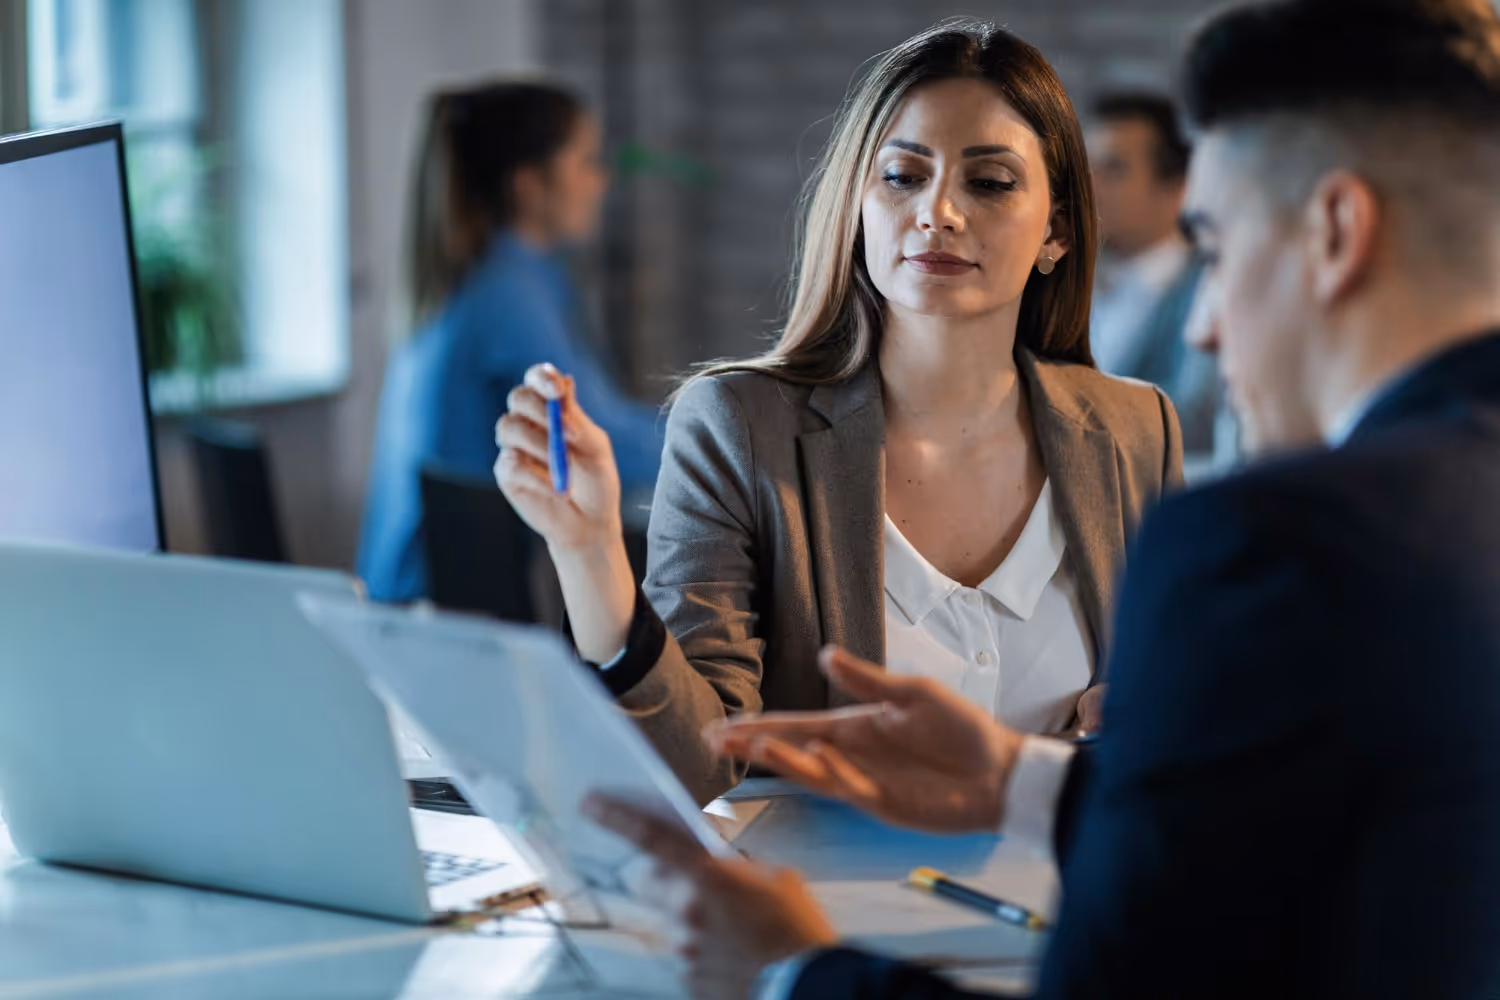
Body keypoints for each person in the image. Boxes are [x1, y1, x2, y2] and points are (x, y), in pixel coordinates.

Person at [584, 0, 1500, 997]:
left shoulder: (1253, 528)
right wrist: (1025, 780)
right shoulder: (742, 420)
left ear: (1335, 230)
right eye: (902, 176)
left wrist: (788, 970)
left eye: (1218, 246)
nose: (1201, 325)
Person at [495, 22, 1184, 804]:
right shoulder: (736, 427)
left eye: (989, 182)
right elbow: (696, 766)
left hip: (1069, 907)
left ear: (1056, 229)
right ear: (857, 205)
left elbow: (1177, 716)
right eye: (901, 176)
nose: (939, 212)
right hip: (822, 910)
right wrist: (589, 557)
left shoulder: (1137, 431)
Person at [359, 81, 663, 603]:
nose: (602, 180)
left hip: (405, 588)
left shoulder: (476, 278)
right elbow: (599, 435)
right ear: (529, 185)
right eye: (586, 161)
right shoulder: (509, 296)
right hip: (439, 612)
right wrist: (727, 448)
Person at [1088, 93, 1221, 456]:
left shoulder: (1211, 286)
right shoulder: (1065, 283)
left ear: (1176, 188)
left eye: (1113, 169)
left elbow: (1199, 419)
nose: (1089, 187)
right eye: (1088, 168)